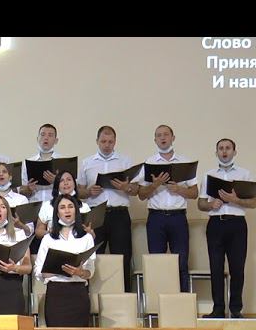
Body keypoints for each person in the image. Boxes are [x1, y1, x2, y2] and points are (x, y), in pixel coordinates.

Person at [136, 125, 198, 292]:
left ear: (173, 138)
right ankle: (158, 303)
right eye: (159, 135)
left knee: (181, 262)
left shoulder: (184, 162)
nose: (162, 138)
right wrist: (155, 184)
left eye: (166, 135)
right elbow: (141, 194)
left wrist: (179, 189)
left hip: (178, 217)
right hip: (156, 218)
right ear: (155, 140)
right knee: (157, 263)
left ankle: (182, 302)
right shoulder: (149, 163)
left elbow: (194, 193)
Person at [198, 138, 255, 318]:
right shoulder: (209, 175)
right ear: (216, 153)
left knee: (237, 268)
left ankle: (236, 309)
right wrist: (211, 204)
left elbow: (253, 202)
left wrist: (235, 200)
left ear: (234, 152)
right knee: (216, 267)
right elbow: (200, 203)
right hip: (215, 224)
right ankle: (218, 309)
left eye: (228, 148)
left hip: (237, 225)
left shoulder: (245, 174)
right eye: (221, 148)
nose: (224, 151)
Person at [77, 126, 138, 292]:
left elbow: (136, 190)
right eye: (103, 141)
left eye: (110, 142)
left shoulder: (125, 161)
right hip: (95, 214)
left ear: (115, 142)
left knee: (123, 256)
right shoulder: (87, 163)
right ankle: (92, 298)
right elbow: (79, 192)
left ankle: (125, 296)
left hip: (119, 214)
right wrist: (89, 191)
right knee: (93, 256)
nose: (107, 145)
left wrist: (126, 187)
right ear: (97, 141)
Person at [34, 195, 96, 327]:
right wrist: (57, 270)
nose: (67, 210)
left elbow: (90, 271)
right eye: (62, 207)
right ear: (57, 213)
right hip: (56, 293)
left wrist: (79, 272)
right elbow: (38, 271)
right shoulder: (48, 239)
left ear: (76, 211)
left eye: (70, 207)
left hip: (78, 293)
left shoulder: (86, 238)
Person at [35, 170, 92, 238]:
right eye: (62, 180)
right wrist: (50, 233)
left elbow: (92, 235)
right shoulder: (47, 206)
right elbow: (38, 232)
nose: (66, 183)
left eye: (69, 179)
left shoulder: (84, 207)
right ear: (57, 185)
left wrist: (89, 233)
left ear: (74, 183)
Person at [19, 123, 63, 202]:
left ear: (56, 140)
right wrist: (28, 188)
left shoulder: (63, 161)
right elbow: (21, 191)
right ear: (37, 138)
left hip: (56, 205)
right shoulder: (28, 162)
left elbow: (72, 190)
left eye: (50, 135)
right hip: (34, 205)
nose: (46, 138)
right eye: (42, 135)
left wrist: (57, 182)